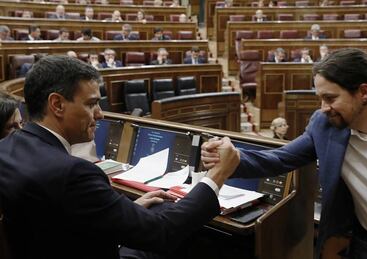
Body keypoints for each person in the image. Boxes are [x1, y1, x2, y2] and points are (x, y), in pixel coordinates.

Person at [0, 55, 239, 259]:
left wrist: (122, 210)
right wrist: (217, 175)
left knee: (155, 208)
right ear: (57, 105)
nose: (100, 114)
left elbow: (59, 216)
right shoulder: (72, 173)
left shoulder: (7, 148)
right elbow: (161, 233)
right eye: (92, 104)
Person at [202, 48, 367, 259]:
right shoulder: (324, 125)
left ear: (364, 92)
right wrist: (231, 158)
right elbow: (279, 159)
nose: (323, 108)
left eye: (330, 98)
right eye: (320, 98)